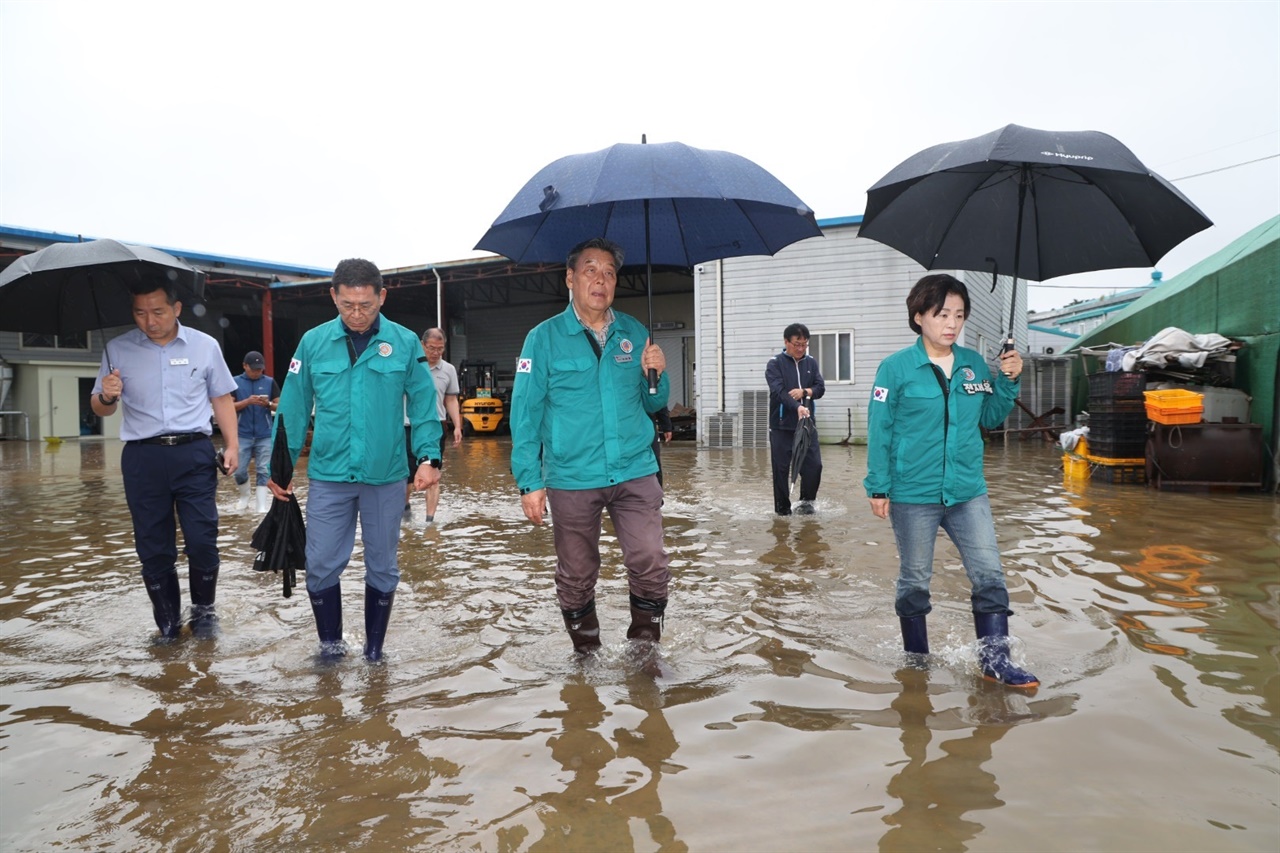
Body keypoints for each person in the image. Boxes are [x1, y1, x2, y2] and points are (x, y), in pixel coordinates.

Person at [864, 273, 1038, 688]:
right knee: (914, 582)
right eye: (942, 313)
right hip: (913, 494)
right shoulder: (895, 369)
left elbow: (990, 419)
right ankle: (917, 660)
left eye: (959, 315)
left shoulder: (974, 365)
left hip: (967, 492)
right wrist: (878, 486)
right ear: (919, 315)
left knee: (990, 575)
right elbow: (879, 430)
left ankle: (995, 662)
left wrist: (1009, 380)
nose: (952, 323)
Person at [269, 258, 442, 662]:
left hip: (385, 476)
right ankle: (330, 648)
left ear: (382, 296)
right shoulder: (313, 343)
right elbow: (293, 407)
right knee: (320, 564)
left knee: (382, 567)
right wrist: (279, 468)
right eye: (347, 305)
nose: (358, 314)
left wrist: (429, 458)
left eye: (366, 304)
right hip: (330, 475)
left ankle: (374, 653)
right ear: (333, 296)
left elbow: (422, 403)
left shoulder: (404, 343)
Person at [510, 237, 672, 655]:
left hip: (635, 468)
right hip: (571, 475)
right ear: (570, 278)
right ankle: (587, 654)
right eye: (590, 270)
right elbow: (525, 414)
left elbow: (654, 403)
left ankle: (644, 651)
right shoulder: (541, 339)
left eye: (610, 273)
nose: (601, 280)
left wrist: (658, 373)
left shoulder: (635, 333)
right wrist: (529, 480)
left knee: (650, 561)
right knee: (577, 573)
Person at [89, 281, 239, 641]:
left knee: (202, 539)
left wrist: (233, 445)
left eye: (157, 312)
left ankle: (203, 614)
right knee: (153, 546)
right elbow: (99, 407)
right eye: (140, 313)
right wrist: (108, 396)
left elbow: (221, 398)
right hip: (143, 457)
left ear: (176, 309)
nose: (149, 321)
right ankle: (168, 624)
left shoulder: (205, 346)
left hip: (194, 452)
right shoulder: (117, 350)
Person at [403, 328, 463, 526]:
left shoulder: (448, 370)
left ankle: (430, 520)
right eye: (431, 348)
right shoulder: (407, 366)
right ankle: (405, 509)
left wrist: (457, 426)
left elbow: (451, 400)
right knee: (406, 475)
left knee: (433, 474)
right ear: (422, 345)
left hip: (436, 426)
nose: (436, 352)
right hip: (407, 426)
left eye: (440, 349)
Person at [766, 323, 825, 516]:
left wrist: (805, 392)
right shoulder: (775, 364)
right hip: (782, 425)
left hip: (807, 424)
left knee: (814, 466)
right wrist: (797, 406)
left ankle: (806, 505)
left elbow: (820, 387)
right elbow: (780, 392)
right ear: (786, 342)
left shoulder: (811, 363)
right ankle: (782, 511)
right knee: (781, 469)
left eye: (804, 345)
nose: (800, 349)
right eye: (797, 344)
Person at [231, 350, 279, 513]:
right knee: (239, 471)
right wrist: (247, 402)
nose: (258, 372)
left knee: (263, 469)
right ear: (245, 366)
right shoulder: (234, 382)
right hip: (242, 434)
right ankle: (244, 497)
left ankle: (261, 506)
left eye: (260, 369)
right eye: (254, 369)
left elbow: (280, 405)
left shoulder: (270, 382)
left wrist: (268, 405)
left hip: (264, 434)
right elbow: (227, 407)